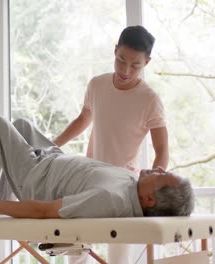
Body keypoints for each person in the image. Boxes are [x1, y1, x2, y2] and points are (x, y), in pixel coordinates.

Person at [51, 25, 167, 263]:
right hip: (88, 177)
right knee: (77, 250)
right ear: (115, 51)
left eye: (135, 65)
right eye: (121, 60)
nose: (126, 70)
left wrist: (155, 185)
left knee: (118, 256)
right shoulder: (97, 85)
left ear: (147, 62)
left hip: (124, 187)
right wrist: (52, 144)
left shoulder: (150, 100)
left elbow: (162, 150)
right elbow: (83, 119)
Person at [0, 116, 194, 222]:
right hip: (50, 161)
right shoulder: (130, 184)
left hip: (35, 178)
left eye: (163, 175)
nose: (159, 168)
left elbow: (45, 211)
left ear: (149, 199)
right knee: (21, 125)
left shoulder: (111, 199)